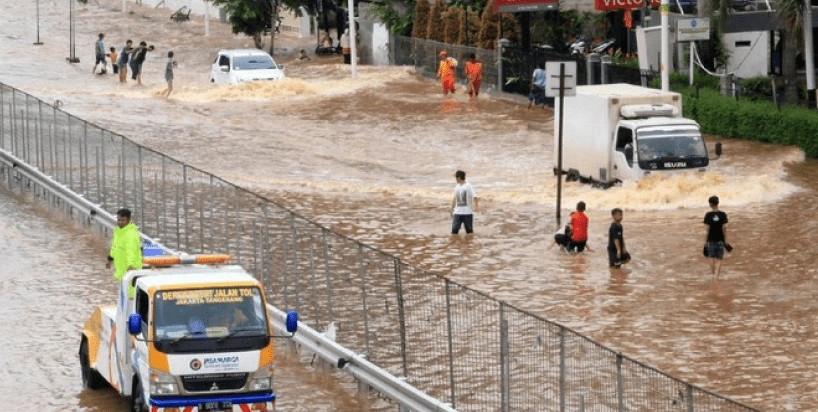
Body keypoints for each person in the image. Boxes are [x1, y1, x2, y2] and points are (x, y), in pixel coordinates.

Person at [105, 208, 143, 282]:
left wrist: (131, 267)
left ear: (129, 220)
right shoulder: (118, 231)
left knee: (130, 292)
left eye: (123, 220)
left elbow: (131, 251)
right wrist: (110, 259)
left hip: (130, 273)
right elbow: (115, 247)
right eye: (119, 220)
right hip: (121, 271)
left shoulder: (131, 234)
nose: (120, 222)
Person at [703, 195, 729, 277]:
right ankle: (716, 275)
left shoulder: (708, 215)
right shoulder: (723, 214)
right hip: (720, 239)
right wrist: (726, 240)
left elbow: (706, 230)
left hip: (710, 239)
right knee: (719, 258)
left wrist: (705, 241)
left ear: (710, 204)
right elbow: (725, 228)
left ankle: (713, 274)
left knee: (711, 257)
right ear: (718, 203)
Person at [450, 170, 478, 235]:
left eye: (456, 177)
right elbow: (455, 198)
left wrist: (476, 207)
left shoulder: (468, 186)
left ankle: (469, 243)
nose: (455, 179)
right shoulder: (457, 186)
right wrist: (452, 209)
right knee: (454, 231)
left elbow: (475, 196)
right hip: (457, 213)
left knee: (469, 232)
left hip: (467, 213)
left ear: (459, 177)